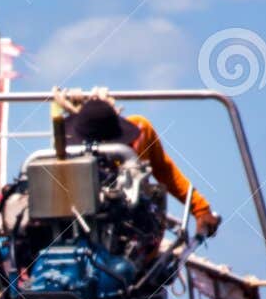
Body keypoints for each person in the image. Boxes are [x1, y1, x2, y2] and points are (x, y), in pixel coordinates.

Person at [65, 96, 221, 237]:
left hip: (131, 231)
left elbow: (165, 170)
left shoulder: (141, 131)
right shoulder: (63, 155)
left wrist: (199, 208)